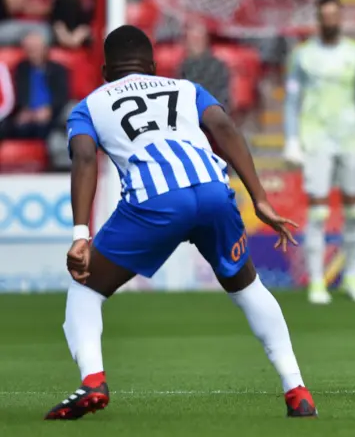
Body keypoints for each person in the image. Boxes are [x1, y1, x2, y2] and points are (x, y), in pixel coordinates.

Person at [44, 25, 317, 420]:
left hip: (155, 201)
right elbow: (224, 127)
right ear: (153, 67)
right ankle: (297, 390)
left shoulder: (89, 105)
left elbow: (84, 157)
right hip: (212, 190)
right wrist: (259, 198)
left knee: (85, 286)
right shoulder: (185, 88)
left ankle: (93, 380)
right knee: (247, 288)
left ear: (105, 71)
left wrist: (80, 235)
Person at [283, 0, 355, 305]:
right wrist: (292, 140)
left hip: (349, 138)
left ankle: (351, 276)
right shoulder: (303, 55)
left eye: (336, 15)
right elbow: (292, 101)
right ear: (318, 19)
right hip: (316, 138)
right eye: (326, 15)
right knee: (319, 210)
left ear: (341, 18)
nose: (331, 20)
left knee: (353, 209)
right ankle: (316, 281)